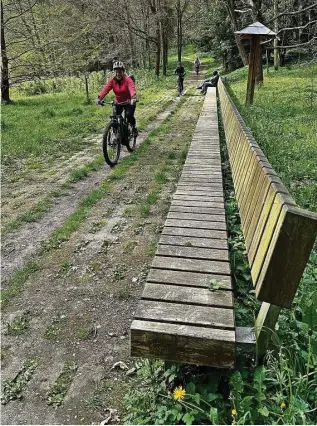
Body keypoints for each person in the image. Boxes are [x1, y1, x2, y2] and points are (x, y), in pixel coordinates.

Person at [95, 61, 138, 135]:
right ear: (114, 72)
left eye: (120, 71)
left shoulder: (128, 80)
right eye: (116, 72)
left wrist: (133, 98)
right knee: (114, 119)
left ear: (123, 71)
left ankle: (133, 128)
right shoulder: (112, 80)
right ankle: (116, 135)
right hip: (118, 102)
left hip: (129, 101)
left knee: (129, 115)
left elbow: (132, 88)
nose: (118, 74)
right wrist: (99, 98)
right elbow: (106, 89)